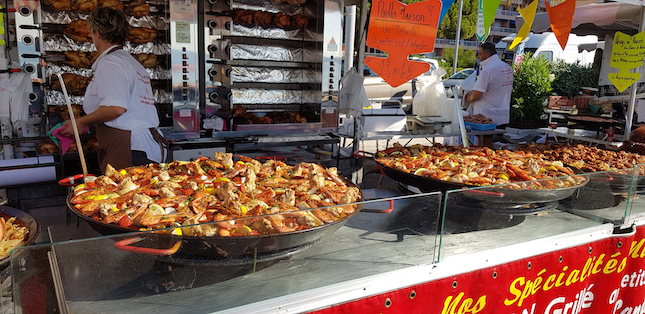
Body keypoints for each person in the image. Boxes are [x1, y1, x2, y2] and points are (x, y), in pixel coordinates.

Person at [59, 7, 167, 173]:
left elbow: (116, 108)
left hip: (129, 148)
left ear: (97, 33)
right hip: (142, 147)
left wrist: (81, 122)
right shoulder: (132, 63)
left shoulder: (110, 63)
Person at [465, 42, 514, 125]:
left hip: (486, 117)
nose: (478, 57)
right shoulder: (506, 67)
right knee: (498, 138)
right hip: (503, 115)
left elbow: (475, 96)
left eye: (480, 54)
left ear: (487, 55)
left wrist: (466, 97)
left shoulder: (487, 70)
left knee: (485, 138)